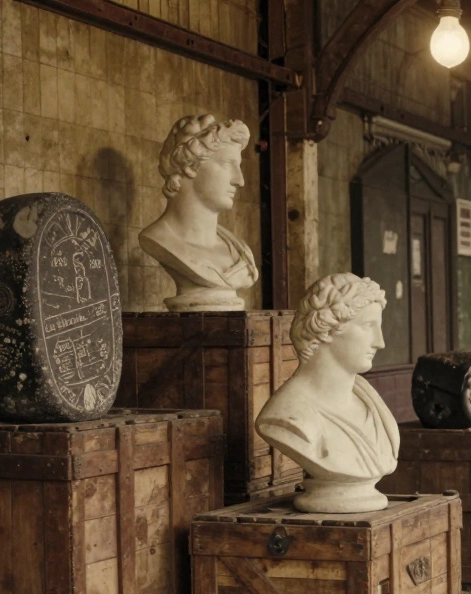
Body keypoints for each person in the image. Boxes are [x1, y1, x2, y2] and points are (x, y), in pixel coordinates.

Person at [256, 273, 399, 513]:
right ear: (325, 328)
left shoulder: (373, 405)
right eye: (368, 326)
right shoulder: (286, 416)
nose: (380, 342)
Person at [140, 114, 259, 311]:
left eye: (238, 167)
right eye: (227, 164)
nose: (239, 180)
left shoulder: (239, 252)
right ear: (190, 165)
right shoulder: (158, 240)